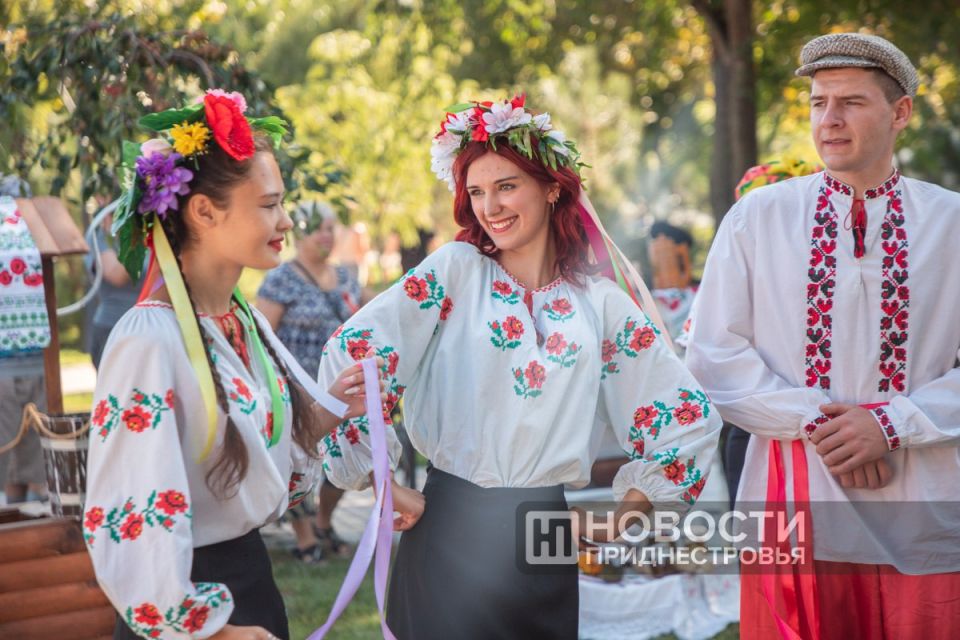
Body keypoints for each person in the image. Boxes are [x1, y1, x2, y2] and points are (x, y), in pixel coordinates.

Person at [316, 95, 721, 639]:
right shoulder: (456, 272)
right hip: (448, 526)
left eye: (506, 186)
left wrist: (626, 511)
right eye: (477, 192)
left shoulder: (597, 303)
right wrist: (383, 480)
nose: (491, 207)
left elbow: (686, 416)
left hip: (547, 537)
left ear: (552, 188)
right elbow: (353, 353)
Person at [686, 33, 960, 639]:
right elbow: (712, 355)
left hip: (928, 511)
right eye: (818, 102)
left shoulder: (952, 222)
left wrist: (890, 425)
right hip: (797, 503)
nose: (829, 120)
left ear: (901, 113)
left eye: (852, 102)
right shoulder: (758, 218)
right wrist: (825, 425)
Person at [83, 90, 380, 640]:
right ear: (203, 210)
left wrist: (339, 403)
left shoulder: (244, 321)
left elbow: (262, 451)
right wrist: (212, 632)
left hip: (250, 582)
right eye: (269, 204)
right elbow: (131, 512)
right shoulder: (149, 338)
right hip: (194, 609)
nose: (286, 220)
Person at [256, 200, 361, 561]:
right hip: (296, 388)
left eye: (331, 228)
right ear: (300, 234)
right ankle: (304, 538)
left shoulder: (347, 277)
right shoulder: (281, 279)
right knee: (296, 455)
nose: (327, 236)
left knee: (347, 455)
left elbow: (366, 317)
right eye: (319, 228)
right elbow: (261, 336)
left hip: (340, 388)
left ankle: (323, 520)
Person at [0, 174, 48, 505]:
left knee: (28, 468)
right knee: (21, 469)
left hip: (25, 358)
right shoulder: (23, 225)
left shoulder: (27, 224)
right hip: (24, 358)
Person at [86, 212, 143, 369]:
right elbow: (117, 275)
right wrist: (140, 237)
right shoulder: (99, 237)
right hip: (112, 329)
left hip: (149, 329)